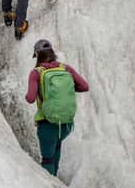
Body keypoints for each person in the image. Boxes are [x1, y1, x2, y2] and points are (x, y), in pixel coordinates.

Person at [26, 38, 89, 176]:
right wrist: (68, 89)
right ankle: (55, 180)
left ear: (37, 55)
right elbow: (85, 86)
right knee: (56, 150)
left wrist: (38, 91)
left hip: (47, 124)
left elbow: (30, 98)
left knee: (47, 160)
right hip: (65, 124)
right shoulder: (65, 68)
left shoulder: (37, 73)